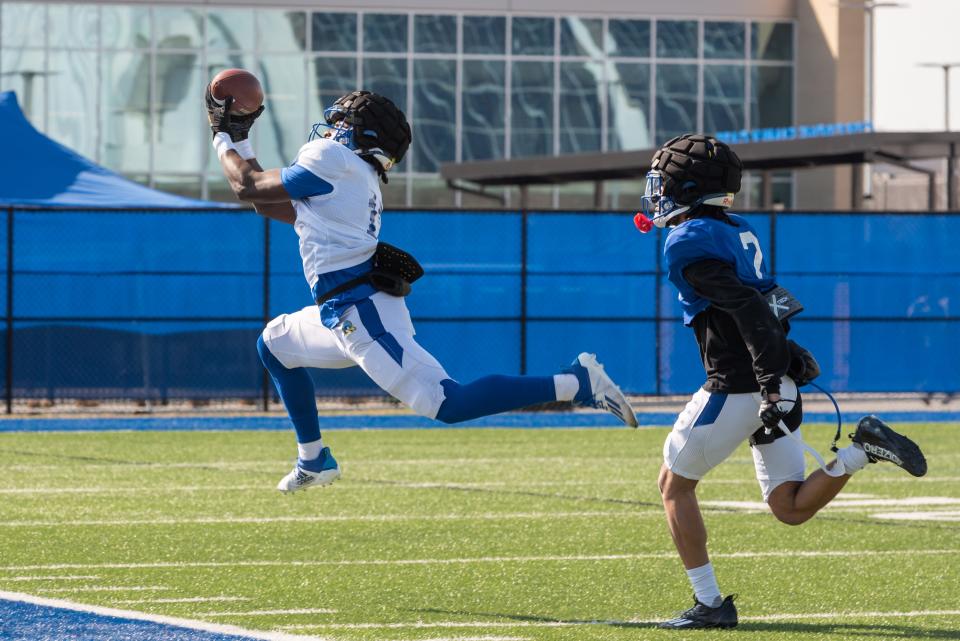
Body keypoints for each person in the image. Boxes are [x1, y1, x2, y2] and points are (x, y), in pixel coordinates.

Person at [205, 88, 638, 493]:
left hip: (359, 313)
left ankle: (575, 383)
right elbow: (263, 200)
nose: (331, 127)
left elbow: (249, 187)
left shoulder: (333, 158)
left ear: (356, 133)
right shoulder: (358, 175)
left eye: (340, 121)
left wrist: (225, 135)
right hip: (342, 309)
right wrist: (240, 140)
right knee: (274, 345)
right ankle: (314, 460)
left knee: (447, 402)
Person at [634, 134, 927, 629]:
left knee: (673, 487)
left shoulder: (688, 240)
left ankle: (709, 605)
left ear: (688, 188)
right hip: (774, 382)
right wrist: (786, 361)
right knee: (789, 508)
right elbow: (770, 302)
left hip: (740, 388)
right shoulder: (737, 230)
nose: (657, 193)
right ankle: (862, 450)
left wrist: (769, 382)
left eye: (665, 183)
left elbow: (747, 310)